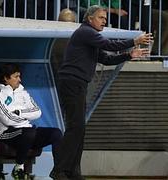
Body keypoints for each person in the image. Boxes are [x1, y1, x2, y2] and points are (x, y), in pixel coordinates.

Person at [50, 5, 153, 180]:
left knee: (79, 129)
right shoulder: (86, 32)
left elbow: (106, 58)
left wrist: (129, 55)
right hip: (72, 82)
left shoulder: (90, 38)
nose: (104, 21)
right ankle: (59, 170)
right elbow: (110, 45)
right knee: (76, 128)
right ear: (89, 19)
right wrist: (134, 41)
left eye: (105, 19)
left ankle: (73, 171)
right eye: (100, 18)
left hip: (78, 83)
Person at [0, 63, 62, 179]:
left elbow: (37, 112)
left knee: (56, 133)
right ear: (6, 78)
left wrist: (19, 112)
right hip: (6, 133)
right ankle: (19, 167)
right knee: (29, 132)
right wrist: (26, 116)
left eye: (19, 76)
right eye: (16, 76)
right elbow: (7, 120)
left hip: (26, 132)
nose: (20, 79)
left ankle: (59, 171)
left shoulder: (22, 92)